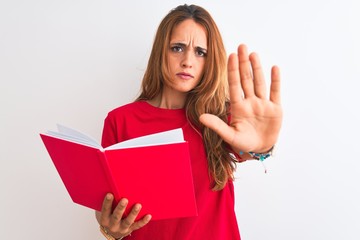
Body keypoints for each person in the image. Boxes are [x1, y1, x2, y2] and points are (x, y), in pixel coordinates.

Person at [95, 4, 282, 240]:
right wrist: (111, 231)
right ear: (160, 52)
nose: (187, 61)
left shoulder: (219, 119)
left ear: (210, 60)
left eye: (200, 52)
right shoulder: (120, 121)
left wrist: (262, 148)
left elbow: (247, 149)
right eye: (177, 48)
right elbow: (106, 207)